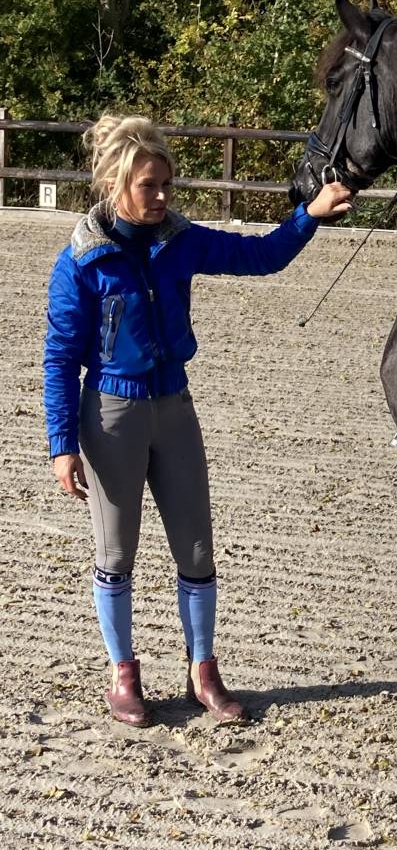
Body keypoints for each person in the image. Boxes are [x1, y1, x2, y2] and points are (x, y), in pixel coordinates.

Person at [44, 114, 353, 727]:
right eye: (148, 187)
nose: (161, 197)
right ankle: (123, 675)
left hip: (175, 410)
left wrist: (309, 215)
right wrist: (61, 444)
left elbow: (261, 257)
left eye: (166, 185)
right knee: (116, 553)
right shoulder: (81, 261)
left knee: (197, 548)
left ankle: (202, 670)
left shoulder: (180, 240)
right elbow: (60, 358)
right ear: (115, 186)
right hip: (110, 416)